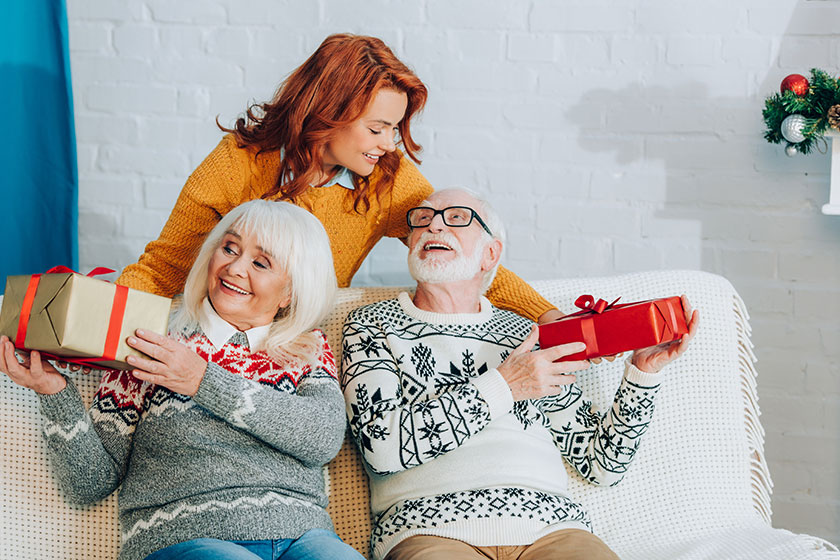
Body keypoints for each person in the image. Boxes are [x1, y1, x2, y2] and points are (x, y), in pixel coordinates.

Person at [340, 189, 700, 560]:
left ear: (491, 254)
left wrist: (643, 374)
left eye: (457, 217)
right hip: (430, 531)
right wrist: (506, 384)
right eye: (422, 218)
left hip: (553, 531)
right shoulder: (372, 326)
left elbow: (601, 464)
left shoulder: (527, 335)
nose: (433, 224)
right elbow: (382, 451)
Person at [115, 33, 562, 326]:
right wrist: (90, 319)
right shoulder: (238, 162)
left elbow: (461, 257)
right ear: (327, 113)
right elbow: (163, 267)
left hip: (301, 352)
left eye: (395, 128)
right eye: (376, 128)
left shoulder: (388, 180)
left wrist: (547, 315)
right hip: (216, 338)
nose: (390, 144)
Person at [0, 200, 364, 560]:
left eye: (260, 262)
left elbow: (321, 438)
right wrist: (55, 393)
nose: (234, 267)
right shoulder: (150, 338)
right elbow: (89, 483)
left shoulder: (306, 346)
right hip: (186, 538)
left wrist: (201, 380)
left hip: (303, 537)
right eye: (229, 248)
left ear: (290, 291)